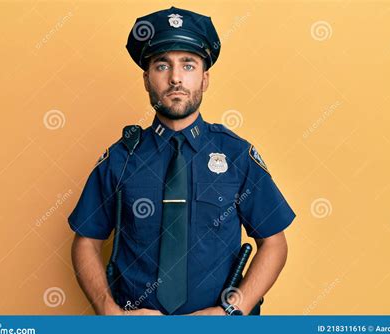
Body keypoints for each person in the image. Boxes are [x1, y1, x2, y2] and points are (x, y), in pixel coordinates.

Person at [68, 6, 296, 316]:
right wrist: (110, 312)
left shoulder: (236, 155)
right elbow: (86, 242)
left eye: (188, 65)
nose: (176, 78)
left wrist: (233, 310)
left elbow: (274, 243)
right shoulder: (120, 158)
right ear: (147, 79)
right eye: (162, 66)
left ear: (205, 78)